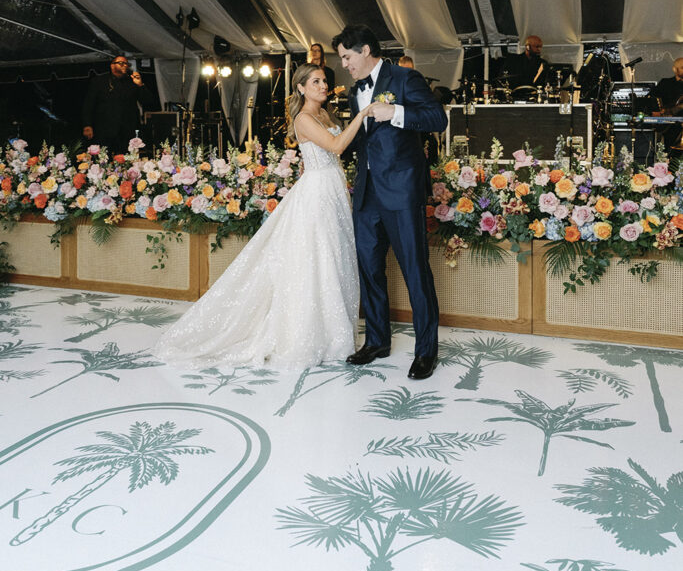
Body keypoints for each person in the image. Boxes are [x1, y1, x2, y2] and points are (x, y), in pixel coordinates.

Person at [154, 63, 376, 370]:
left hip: (332, 188)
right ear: (300, 87)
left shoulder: (325, 114)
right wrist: (362, 115)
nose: (323, 86)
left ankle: (333, 334)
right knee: (318, 259)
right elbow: (337, 144)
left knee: (334, 257)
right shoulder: (305, 118)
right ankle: (308, 336)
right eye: (316, 82)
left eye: (324, 81)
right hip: (317, 193)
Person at [333, 24, 448, 381]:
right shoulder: (355, 92)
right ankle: (377, 341)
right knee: (369, 269)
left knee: (415, 271)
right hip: (367, 194)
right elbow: (363, 142)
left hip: (401, 192)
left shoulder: (404, 78)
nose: (345, 65)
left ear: (365, 50)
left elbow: (437, 119)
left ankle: (426, 351)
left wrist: (395, 114)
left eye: (347, 57)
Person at [82, 55, 154, 153]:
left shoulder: (132, 81)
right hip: (104, 129)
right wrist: (87, 125)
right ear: (112, 66)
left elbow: (148, 102)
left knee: (125, 160)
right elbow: (88, 104)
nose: (125, 65)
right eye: (121, 63)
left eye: (126, 64)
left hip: (127, 130)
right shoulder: (99, 81)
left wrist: (140, 85)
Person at [650, 57, 683, 155]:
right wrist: (659, 112)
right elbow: (651, 99)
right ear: (675, 69)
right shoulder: (665, 83)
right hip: (669, 128)